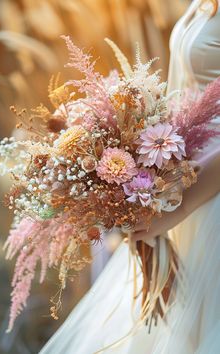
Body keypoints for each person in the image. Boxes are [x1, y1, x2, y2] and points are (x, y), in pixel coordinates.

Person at [39, 0, 220, 352]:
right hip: (183, 177)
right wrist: (140, 152)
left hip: (208, 195)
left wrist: (177, 209)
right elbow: (186, 92)